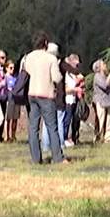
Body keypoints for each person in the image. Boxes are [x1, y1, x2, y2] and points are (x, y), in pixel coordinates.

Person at [22, 32, 66, 164]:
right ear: (45, 44)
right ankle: (58, 157)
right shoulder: (50, 58)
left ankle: (36, 158)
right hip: (46, 94)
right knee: (52, 127)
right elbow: (56, 77)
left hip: (32, 93)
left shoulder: (29, 57)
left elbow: (27, 70)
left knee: (33, 127)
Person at [61, 54, 82, 148]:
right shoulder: (66, 74)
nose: (77, 67)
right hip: (67, 100)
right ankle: (64, 138)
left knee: (73, 120)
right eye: (75, 64)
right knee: (66, 120)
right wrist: (75, 89)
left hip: (74, 99)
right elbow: (65, 89)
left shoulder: (74, 74)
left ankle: (72, 137)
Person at [92, 60, 110, 144]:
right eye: (103, 64)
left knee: (109, 119)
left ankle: (107, 137)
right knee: (101, 119)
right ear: (99, 67)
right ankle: (98, 136)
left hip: (108, 100)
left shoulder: (105, 75)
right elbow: (104, 85)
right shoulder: (97, 76)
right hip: (100, 100)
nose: (105, 65)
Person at [3, 60, 21, 142]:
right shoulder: (5, 77)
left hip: (16, 99)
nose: (12, 69)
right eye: (10, 68)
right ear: (6, 68)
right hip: (8, 99)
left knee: (15, 118)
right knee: (8, 118)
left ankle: (13, 135)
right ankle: (7, 135)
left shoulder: (15, 77)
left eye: (13, 68)